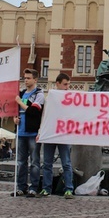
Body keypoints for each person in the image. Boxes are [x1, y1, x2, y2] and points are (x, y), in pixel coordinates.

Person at [37, 73, 74, 199]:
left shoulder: (70, 98)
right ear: (57, 83)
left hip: (63, 134)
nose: (67, 87)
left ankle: (68, 189)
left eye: (68, 84)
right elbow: (45, 117)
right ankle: (46, 188)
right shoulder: (50, 98)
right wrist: (40, 132)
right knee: (47, 163)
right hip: (50, 133)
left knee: (67, 163)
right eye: (65, 84)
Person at [11, 69, 45, 197]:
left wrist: (20, 102)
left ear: (35, 80)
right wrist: (15, 118)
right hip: (21, 132)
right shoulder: (21, 93)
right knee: (21, 162)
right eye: (25, 78)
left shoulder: (39, 94)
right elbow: (16, 110)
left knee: (35, 162)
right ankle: (21, 187)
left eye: (28, 78)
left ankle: (34, 187)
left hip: (32, 133)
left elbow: (34, 111)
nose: (26, 80)